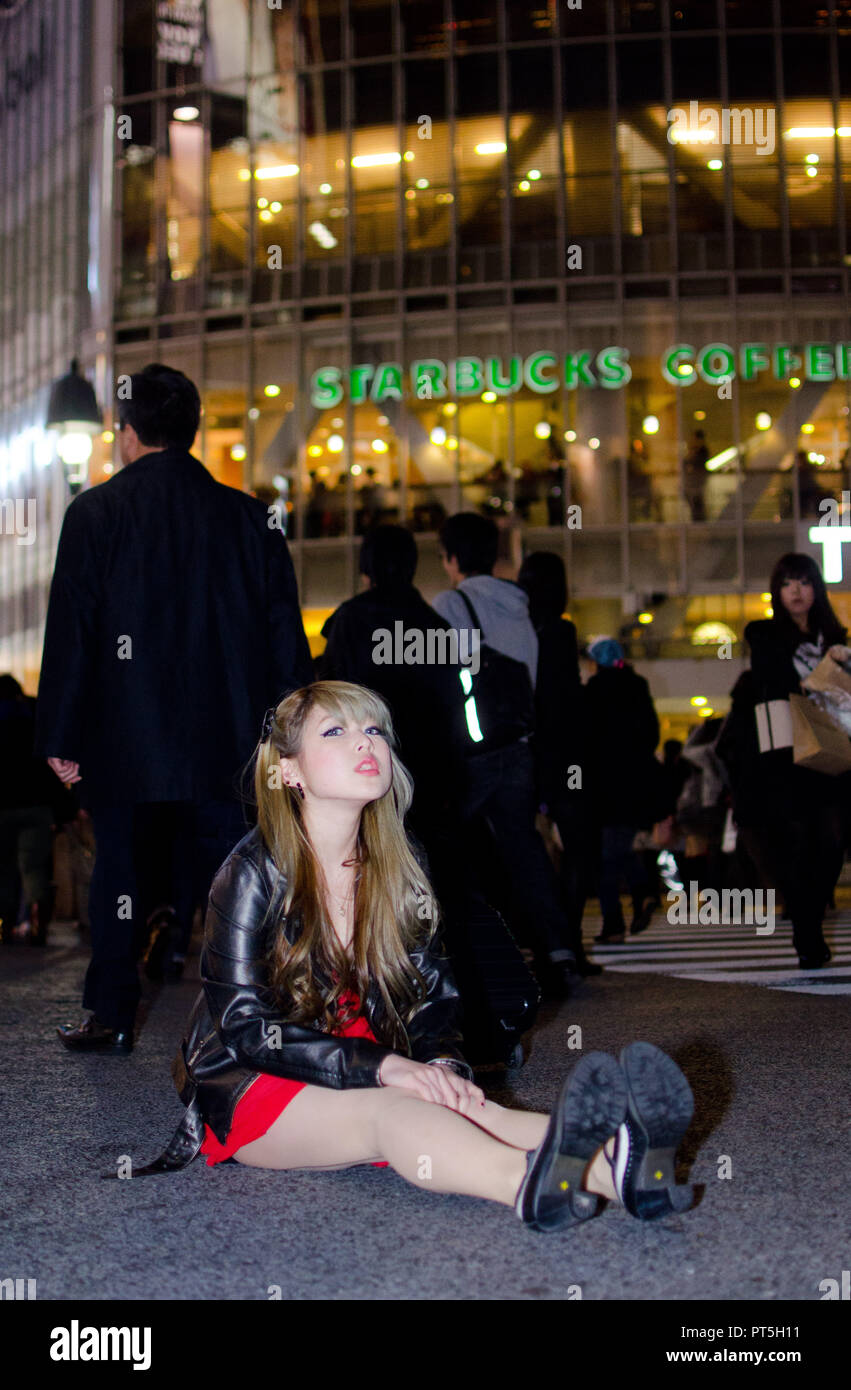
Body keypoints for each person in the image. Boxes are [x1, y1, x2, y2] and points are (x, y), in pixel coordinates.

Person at [125, 680, 695, 1232]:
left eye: (374, 729)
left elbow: (430, 993)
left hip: (358, 1056)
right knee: (392, 1112)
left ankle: (623, 1170)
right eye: (335, 731)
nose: (365, 742)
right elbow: (246, 1029)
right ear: (288, 770)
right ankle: (527, 1186)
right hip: (256, 1081)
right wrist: (387, 1067)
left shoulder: (400, 861)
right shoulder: (251, 872)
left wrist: (443, 1065)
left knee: (470, 1108)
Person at [35, 363, 314, 1054]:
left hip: (123, 734)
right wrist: (295, 735)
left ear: (129, 435)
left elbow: (74, 634)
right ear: (190, 433)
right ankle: (246, 1013)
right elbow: (284, 634)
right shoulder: (251, 519)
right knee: (236, 873)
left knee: (118, 873)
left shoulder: (95, 512)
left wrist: (61, 735)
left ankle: (111, 1014)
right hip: (228, 734)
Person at [431, 514, 580, 994]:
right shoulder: (522, 607)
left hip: (470, 751)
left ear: (452, 558)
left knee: (450, 849)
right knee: (525, 849)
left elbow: (443, 678)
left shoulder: (450, 603)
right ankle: (559, 949)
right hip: (518, 746)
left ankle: (470, 954)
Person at [744, 552, 850, 969]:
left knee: (832, 844)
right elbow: (769, 682)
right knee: (798, 844)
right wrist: (813, 677)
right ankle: (807, 932)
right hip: (789, 754)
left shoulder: (835, 634)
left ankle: (811, 919)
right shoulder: (766, 634)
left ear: (816, 588)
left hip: (833, 749)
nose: (797, 591)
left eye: (804, 582)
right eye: (788, 583)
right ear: (777, 591)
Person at [516, 552, 601, 976]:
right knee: (578, 849)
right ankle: (569, 943)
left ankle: (544, 944)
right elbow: (566, 699)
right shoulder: (560, 631)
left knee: (524, 849)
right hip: (564, 756)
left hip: (522, 751)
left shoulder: (516, 628)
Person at [577, 638, 661, 944]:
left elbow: (584, 741)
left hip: (602, 785)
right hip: (634, 784)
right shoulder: (638, 687)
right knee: (616, 849)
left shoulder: (592, 692)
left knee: (605, 855)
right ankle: (641, 894)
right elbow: (652, 735)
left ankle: (616, 919)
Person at [0, 674, 69, 945]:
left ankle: (5, 922)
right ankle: (38, 918)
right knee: (33, 868)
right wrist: (64, 808)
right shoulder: (33, 721)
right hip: (36, 809)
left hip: (1, 809)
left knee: (3, 867)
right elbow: (48, 768)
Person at [683, 429, 710, 522]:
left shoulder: (702, 451)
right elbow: (685, 463)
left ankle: (699, 523)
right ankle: (697, 522)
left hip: (698, 484)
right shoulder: (693, 450)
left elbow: (693, 462)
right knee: (694, 504)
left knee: (697, 504)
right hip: (693, 484)